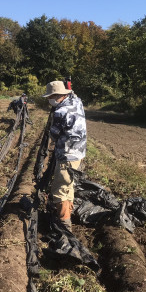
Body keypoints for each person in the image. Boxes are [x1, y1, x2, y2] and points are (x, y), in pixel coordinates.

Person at [42, 80, 87, 233]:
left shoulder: (60, 112)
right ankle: (68, 212)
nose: (49, 100)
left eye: (50, 97)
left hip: (67, 155)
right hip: (79, 152)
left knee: (60, 189)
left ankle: (64, 225)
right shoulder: (76, 101)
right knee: (69, 185)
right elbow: (74, 95)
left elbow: (54, 135)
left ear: (57, 96)